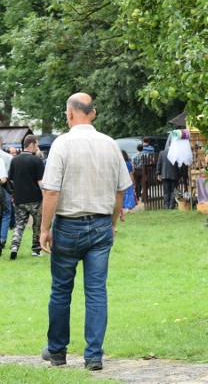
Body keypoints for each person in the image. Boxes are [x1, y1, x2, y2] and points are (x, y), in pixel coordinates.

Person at [40, 93, 132, 371]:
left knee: (60, 290)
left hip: (68, 224)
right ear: (92, 113)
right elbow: (120, 191)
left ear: (69, 114)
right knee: (96, 291)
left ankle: (57, 351)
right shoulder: (109, 144)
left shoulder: (62, 144)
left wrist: (44, 228)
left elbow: (52, 189)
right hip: (102, 224)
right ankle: (94, 355)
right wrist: (113, 223)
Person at [8, 134, 45, 260]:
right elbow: (41, 182)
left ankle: (14, 247)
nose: (38, 148)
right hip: (35, 199)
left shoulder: (14, 160)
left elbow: (11, 180)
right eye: (37, 145)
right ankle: (36, 249)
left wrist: (14, 193)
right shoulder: (36, 161)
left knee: (19, 224)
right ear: (31, 145)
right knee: (37, 224)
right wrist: (46, 196)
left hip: (19, 199)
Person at [156, 142, 186, 210]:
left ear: (168, 145)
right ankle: (171, 205)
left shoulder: (162, 153)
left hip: (164, 174)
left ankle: (166, 205)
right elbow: (180, 165)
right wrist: (180, 175)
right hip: (174, 174)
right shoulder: (177, 153)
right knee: (173, 191)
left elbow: (159, 163)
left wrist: (158, 173)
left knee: (166, 191)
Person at [0, 140, 13, 257]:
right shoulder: (7, 157)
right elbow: (4, 179)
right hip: (3, 190)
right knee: (6, 213)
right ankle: (2, 239)